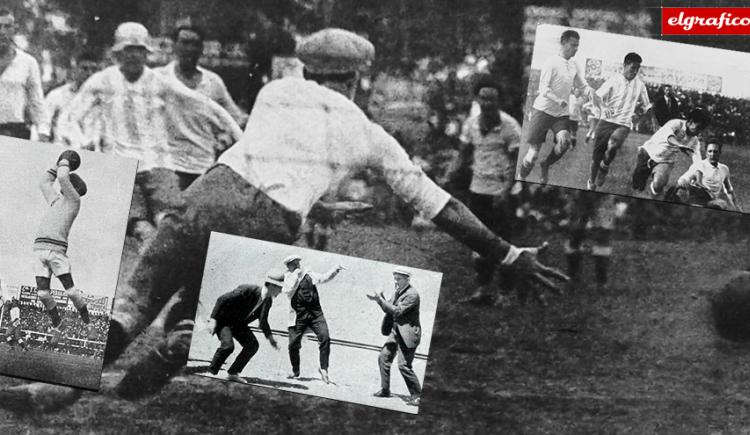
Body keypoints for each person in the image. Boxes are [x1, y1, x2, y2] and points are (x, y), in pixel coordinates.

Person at [0, 28, 567, 412]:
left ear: (307, 66)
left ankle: (54, 391)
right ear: (359, 76)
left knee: (134, 300)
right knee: (210, 308)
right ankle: (183, 338)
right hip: (271, 219)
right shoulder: (369, 134)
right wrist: (508, 254)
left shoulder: (276, 90)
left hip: (212, 191)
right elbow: (442, 205)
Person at [60, 22, 242, 240]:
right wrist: (79, 143)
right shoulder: (102, 81)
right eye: (128, 50)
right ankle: (142, 235)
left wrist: (239, 139)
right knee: (138, 225)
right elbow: (69, 118)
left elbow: (203, 104)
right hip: (120, 165)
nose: (134, 56)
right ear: (118, 53)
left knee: (171, 220)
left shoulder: (160, 82)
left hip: (158, 164)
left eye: (139, 50)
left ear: (146, 53)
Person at [451, 75, 522, 305]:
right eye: (483, 98)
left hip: (502, 191)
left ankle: (506, 293)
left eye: (492, 99)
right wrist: (447, 176)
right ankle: (483, 290)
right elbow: (462, 154)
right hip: (478, 189)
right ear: (477, 99)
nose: (487, 103)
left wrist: (504, 191)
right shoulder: (471, 124)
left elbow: (516, 163)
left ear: (499, 101)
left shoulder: (510, 126)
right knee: (478, 241)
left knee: (503, 241)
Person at [517, 29, 599, 184]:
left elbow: (582, 84)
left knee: (564, 143)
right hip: (543, 110)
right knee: (533, 153)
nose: (576, 49)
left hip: (560, 114)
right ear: (563, 43)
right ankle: (521, 179)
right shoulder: (551, 62)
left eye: (577, 46)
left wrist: (592, 93)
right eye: (573, 45)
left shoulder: (574, 64)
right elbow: (543, 89)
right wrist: (557, 99)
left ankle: (546, 164)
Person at [34, 151, 92, 345]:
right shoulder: (56, 200)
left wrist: (65, 160)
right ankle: (59, 327)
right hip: (39, 248)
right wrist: (56, 162)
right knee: (42, 294)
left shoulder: (74, 201)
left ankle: (87, 323)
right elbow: (44, 182)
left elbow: (62, 176)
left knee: (71, 292)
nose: (62, 185)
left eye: (68, 184)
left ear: (73, 188)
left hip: (57, 250)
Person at [587, 52, 657, 191]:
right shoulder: (614, 80)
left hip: (623, 123)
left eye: (638, 68)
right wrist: (604, 108)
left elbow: (647, 105)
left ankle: (605, 166)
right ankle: (591, 182)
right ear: (624, 65)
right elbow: (596, 97)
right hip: (606, 121)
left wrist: (654, 121)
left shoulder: (640, 86)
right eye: (633, 68)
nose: (635, 71)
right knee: (596, 157)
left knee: (613, 144)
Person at [156, 24, 247, 128]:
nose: (190, 49)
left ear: (201, 49)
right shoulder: (159, 77)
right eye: (184, 43)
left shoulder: (213, 81)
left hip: (205, 143)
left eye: (195, 44)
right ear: (174, 46)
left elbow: (236, 118)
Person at [205, 271, 283, 383]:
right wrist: (213, 320)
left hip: (238, 324)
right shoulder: (248, 290)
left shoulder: (268, 301)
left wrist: (271, 339)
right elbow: (222, 299)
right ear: (271, 285)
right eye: (279, 288)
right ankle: (211, 373)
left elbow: (263, 322)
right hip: (223, 321)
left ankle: (233, 373)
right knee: (228, 346)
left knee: (252, 345)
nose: (281, 291)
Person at [282, 255, 343, 384]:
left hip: (315, 314)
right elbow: (288, 289)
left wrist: (335, 269)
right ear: (289, 266)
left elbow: (323, 278)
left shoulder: (308, 274)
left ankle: (324, 368)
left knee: (325, 337)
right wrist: (296, 276)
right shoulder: (287, 277)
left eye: (298, 262)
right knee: (293, 344)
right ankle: (295, 370)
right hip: (299, 315)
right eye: (294, 263)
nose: (298, 265)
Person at [368, 267, 422, 407]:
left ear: (407, 280)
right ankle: (385, 390)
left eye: (398, 279)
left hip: (408, 335)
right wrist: (379, 298)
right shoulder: (399, 292)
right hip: (396, 332)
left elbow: (396, 311)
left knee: (404, 366)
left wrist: (380, 300)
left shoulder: (412, 295)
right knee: (383, 358)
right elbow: (389, 307)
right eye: (395, 278)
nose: (395, 282)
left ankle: (417, 396)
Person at [631, 107, 711, 199]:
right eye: (698, 128)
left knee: (658, 185)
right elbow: (669, 137)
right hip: (647, 154)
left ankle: (654, 199)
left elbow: (697, 161)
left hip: (665, 161)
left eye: (702, 129)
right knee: (637, 186)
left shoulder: (694, 141)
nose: (699, 132)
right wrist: (679, 145)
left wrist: (699, 180)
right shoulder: (676, 123)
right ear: (690, 122)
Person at [38, 51, 101, 146]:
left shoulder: (101, 99)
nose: (89, 73)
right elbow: (43, 128)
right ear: (75, 70)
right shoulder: (57, 95)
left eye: (93, 70)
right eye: (85, 69)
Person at [0, 8, 44, 139]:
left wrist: (42, 131)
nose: (2, 32)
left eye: (7, 27)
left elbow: (36, 100)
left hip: (14, 131)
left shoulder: (28, 62)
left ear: (15, 29)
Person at [670, 142, 742, 211]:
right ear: (706, 153)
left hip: (711, 200)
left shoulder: (724, 169)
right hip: (697, 195)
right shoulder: (699, 164)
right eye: (710, 151)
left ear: (720, 153)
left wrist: (737, 208)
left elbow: (729, 191)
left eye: (715, 151)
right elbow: (684, 178)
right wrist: (683, 182)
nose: (712, 154)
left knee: (722, 204)